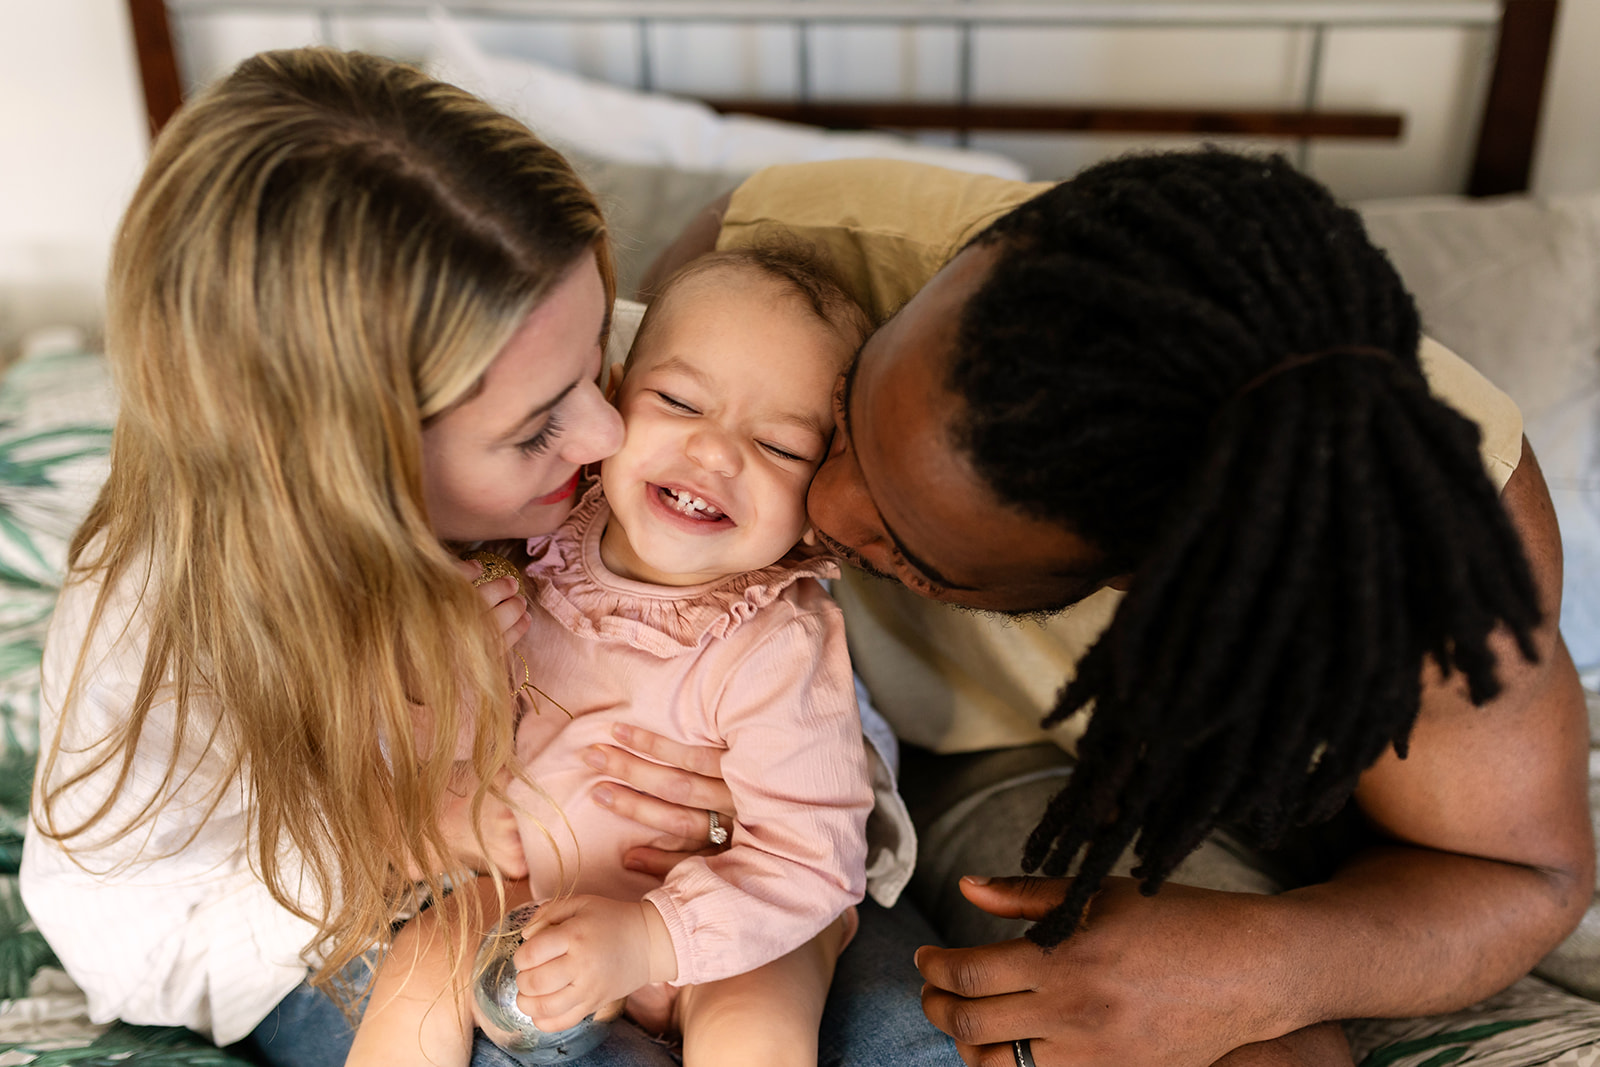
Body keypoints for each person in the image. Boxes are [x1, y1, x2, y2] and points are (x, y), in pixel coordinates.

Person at [610, 151, 1595, 1067]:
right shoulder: (784, 257)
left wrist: (1262, 964)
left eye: (904, 554)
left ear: (1137, 573)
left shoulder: (1441, 549)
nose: (825, 508)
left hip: (1278, 807)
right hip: (979, 763)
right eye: (840, 416)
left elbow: (1527, 874)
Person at [21, 46, 707, 1067]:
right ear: (346, 472)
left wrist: (742, 793)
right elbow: (124, 934)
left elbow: (804, 619)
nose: (607, 434)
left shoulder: (559, 356)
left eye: (599, 354)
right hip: (365, 910)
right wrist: (398, 837)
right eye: (533, 431)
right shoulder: (160, 611)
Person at [350, 246, 892, 1067]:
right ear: (611, 398)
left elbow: (813, 859)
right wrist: (447, 680)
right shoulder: (524, 552)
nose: (715, 453)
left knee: (755, 1028)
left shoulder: (779, 640)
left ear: (819, 501)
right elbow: (425, 758)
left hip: (736, 917)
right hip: (544, 893)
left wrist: (650, 936)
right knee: (420, 961)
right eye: (678, 401)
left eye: (779, 446)